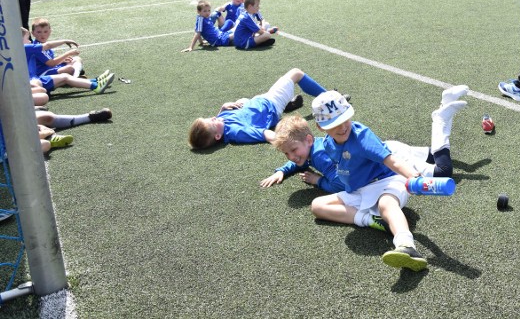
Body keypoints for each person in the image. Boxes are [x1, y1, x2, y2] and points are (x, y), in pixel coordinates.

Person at [308, 89, 467, 272]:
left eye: (345, 119)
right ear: (321, 128)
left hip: (387, 180)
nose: (343, 127)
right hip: (360, 190)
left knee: (386, 205)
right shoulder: (328, 143)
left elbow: (392, 161)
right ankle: (371, 220)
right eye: (335, 124)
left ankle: (407, 246)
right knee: (317, 206)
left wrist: (414, 179)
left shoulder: (361, 137)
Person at [260, 85, 468, 194]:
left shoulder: (322, 156)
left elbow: (342, 184)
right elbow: (300, 159)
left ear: (309, 139)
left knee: (443, 172)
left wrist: (318, 181)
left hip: (388, 158)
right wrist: (283, 169)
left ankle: (440, 119)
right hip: (383, 149)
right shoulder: (312, 148)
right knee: (434, 156)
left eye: (293, 151)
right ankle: (446, 101)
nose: (292, 157)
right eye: (287, 153)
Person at [188, 68, 326, 149]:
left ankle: (288, 104)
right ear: (218, 136)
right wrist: (289, 144)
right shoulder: (237, 132)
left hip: (258, 101)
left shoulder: (221, 121)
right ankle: (330, 97)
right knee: (296, 73)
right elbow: (265, 134)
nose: (214, 117)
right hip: (272, 104)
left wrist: (222, 108)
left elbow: (219, 119)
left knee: (241, 101)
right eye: (212, 122)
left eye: (210, 117)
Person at [23, 28, 114, 95]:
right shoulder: (25, 47)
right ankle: (96, 86)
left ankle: (96, 82)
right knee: (65, 76)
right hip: (34, 80)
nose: (30, 41)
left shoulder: (18, 49)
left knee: (65, 78)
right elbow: (47, 46)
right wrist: (65, 40)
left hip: (34, 80)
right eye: (27, 38)